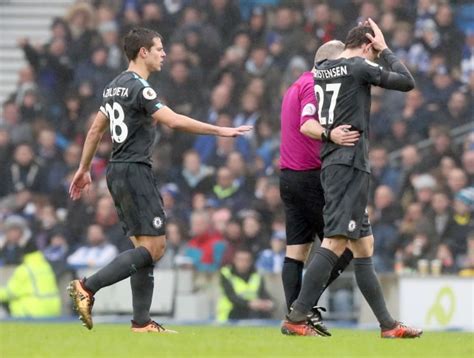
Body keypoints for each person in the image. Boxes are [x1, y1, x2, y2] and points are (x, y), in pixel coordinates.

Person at [67, 27, 251, 333]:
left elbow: (95, 129)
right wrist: (221, 130)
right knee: (155, 247)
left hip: (116, 169)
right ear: (143, 52)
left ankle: (141, 323)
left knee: (143, 247)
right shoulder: (141, 87)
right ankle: (87, 287)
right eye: (159, 48)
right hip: (135, 170)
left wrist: (84, 168)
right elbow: (174, 120)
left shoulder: (113, 86)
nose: (164, 54)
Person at [283, 19, 422, 338]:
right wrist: (385, 50)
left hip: (335, 160)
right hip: (349, 164)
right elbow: (406, 82)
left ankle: (388, 325)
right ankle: (297, 315)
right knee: (335, 240)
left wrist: (330, 134)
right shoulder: (359, 65)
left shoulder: (320, 72)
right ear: (367, 45)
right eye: (373, 51)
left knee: (363, 245)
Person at [279, 40, 359, 336]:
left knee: (296, 253)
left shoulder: (294, 85)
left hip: (288, 176)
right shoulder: (314, 85)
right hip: (310, 177)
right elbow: (307, 125)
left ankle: (295, 321)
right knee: (344, 246)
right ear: (330, 63)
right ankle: (303, 306)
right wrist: (331, 135)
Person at [0, 239, 61, 318]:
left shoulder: (24, 269)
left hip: (33, 311)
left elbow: (10, 292)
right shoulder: (46, 266)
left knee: (10, 301)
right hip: (53, 310)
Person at [217, 247, 273, 322]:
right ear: (234, 260)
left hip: (251, 313)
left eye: (246, 260)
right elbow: (231, 296)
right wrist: (250, 303)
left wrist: (267, 303)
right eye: (240, 260)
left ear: (251, 261)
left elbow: (262, 293)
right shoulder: (226, 273)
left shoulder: (257, 275)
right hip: (229, 314)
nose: (243, 263)